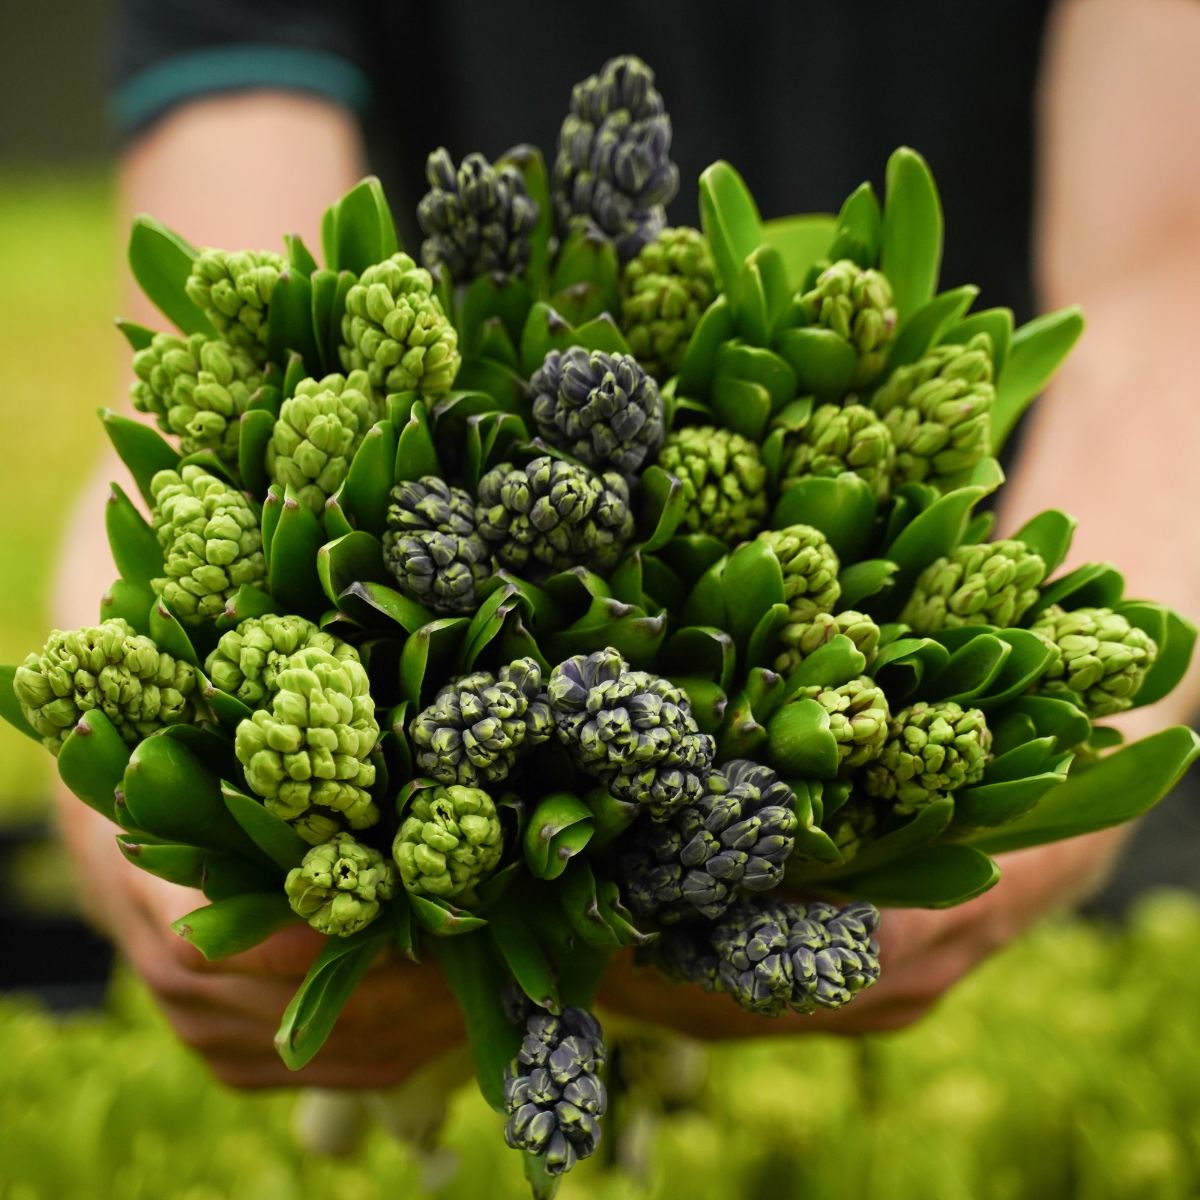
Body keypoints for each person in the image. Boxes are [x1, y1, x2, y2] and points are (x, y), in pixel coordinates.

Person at [55, 0, 1200, 1087]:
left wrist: (1045, 790)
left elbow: (1161, 310)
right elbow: (209, 343)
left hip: (1021, 558)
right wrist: (145, 797)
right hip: (429, 514)